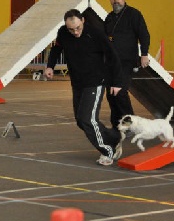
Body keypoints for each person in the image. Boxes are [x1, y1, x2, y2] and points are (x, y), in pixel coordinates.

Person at [45, 9, 125, 166]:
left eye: (78, 28)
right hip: (78, 82)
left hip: (96, 81)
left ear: (83, 20)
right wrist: (50, 66)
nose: (75, 32)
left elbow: (112, 56)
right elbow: (56, 49)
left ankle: (108, 150)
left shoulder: (95, 33)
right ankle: (115, 137)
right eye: (71, 29)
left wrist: (117, 82)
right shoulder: (63, 33)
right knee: (80, 121)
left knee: (87, 119)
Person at [104, 0, 150, 129]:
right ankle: (117, 123)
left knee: (120, 91)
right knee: (111, 93)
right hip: (110, 63)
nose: (115, 0)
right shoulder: (109, 17)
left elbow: (144, 35)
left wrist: (144, 54)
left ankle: (131, 124)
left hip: (126, 61)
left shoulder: (134, 14)